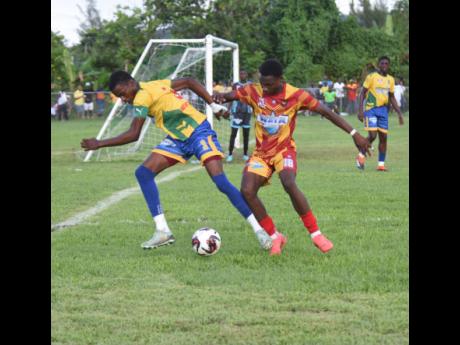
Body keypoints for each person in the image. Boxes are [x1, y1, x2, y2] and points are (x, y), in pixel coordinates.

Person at [81, 71, 273, 251]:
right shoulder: (153, 85)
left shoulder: (141, 96)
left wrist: (99, 143)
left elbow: (134, 134)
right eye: (119, 96)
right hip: (178, 138)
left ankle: (259, 230)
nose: (124, 99)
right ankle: (163, 231)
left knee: (221, 182)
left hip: (198, 132)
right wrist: (212, 105)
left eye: (122, 93)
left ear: (131, 83)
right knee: (144, 173)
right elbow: (189, 81)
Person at [213, 59, 371, 256]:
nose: (265, 88)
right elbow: (230, 95)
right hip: (261, 154)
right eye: (263, 83)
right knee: (247, 190)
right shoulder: (253, 91)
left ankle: (316, 234)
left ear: (281, 80)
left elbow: (327, 112)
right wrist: (219, 98)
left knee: (288, 181)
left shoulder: (296, 95)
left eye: (269, 84)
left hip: (283, 150)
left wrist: (355, 134)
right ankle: (274, 236)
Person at [356, 56, 404, 172]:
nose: (384, 65)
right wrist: (360, 110)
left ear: (389, 65)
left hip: (383, 111)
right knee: (372, 135)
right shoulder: (371, 77)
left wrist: (399, 113)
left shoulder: (390, 80)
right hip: (371, 109)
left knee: (384, 138)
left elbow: (391, 97)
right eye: (382, 63)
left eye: (386, 64)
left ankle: (381, 165)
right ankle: (361, 156)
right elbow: (363, 93)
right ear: (378, 65)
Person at [227, 70, 253, 163]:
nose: (243, 75)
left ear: (247, 75)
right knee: (233, 134)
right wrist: (228, 109)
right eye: (241, 73)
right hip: (237, 112)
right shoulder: (235, 85)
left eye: (244, 73)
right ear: (239, 75)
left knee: (246, 134)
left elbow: (254, 97)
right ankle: (230, 154)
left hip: (247, 112)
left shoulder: (250, 85)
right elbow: (231, 97)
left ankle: (245, 154)